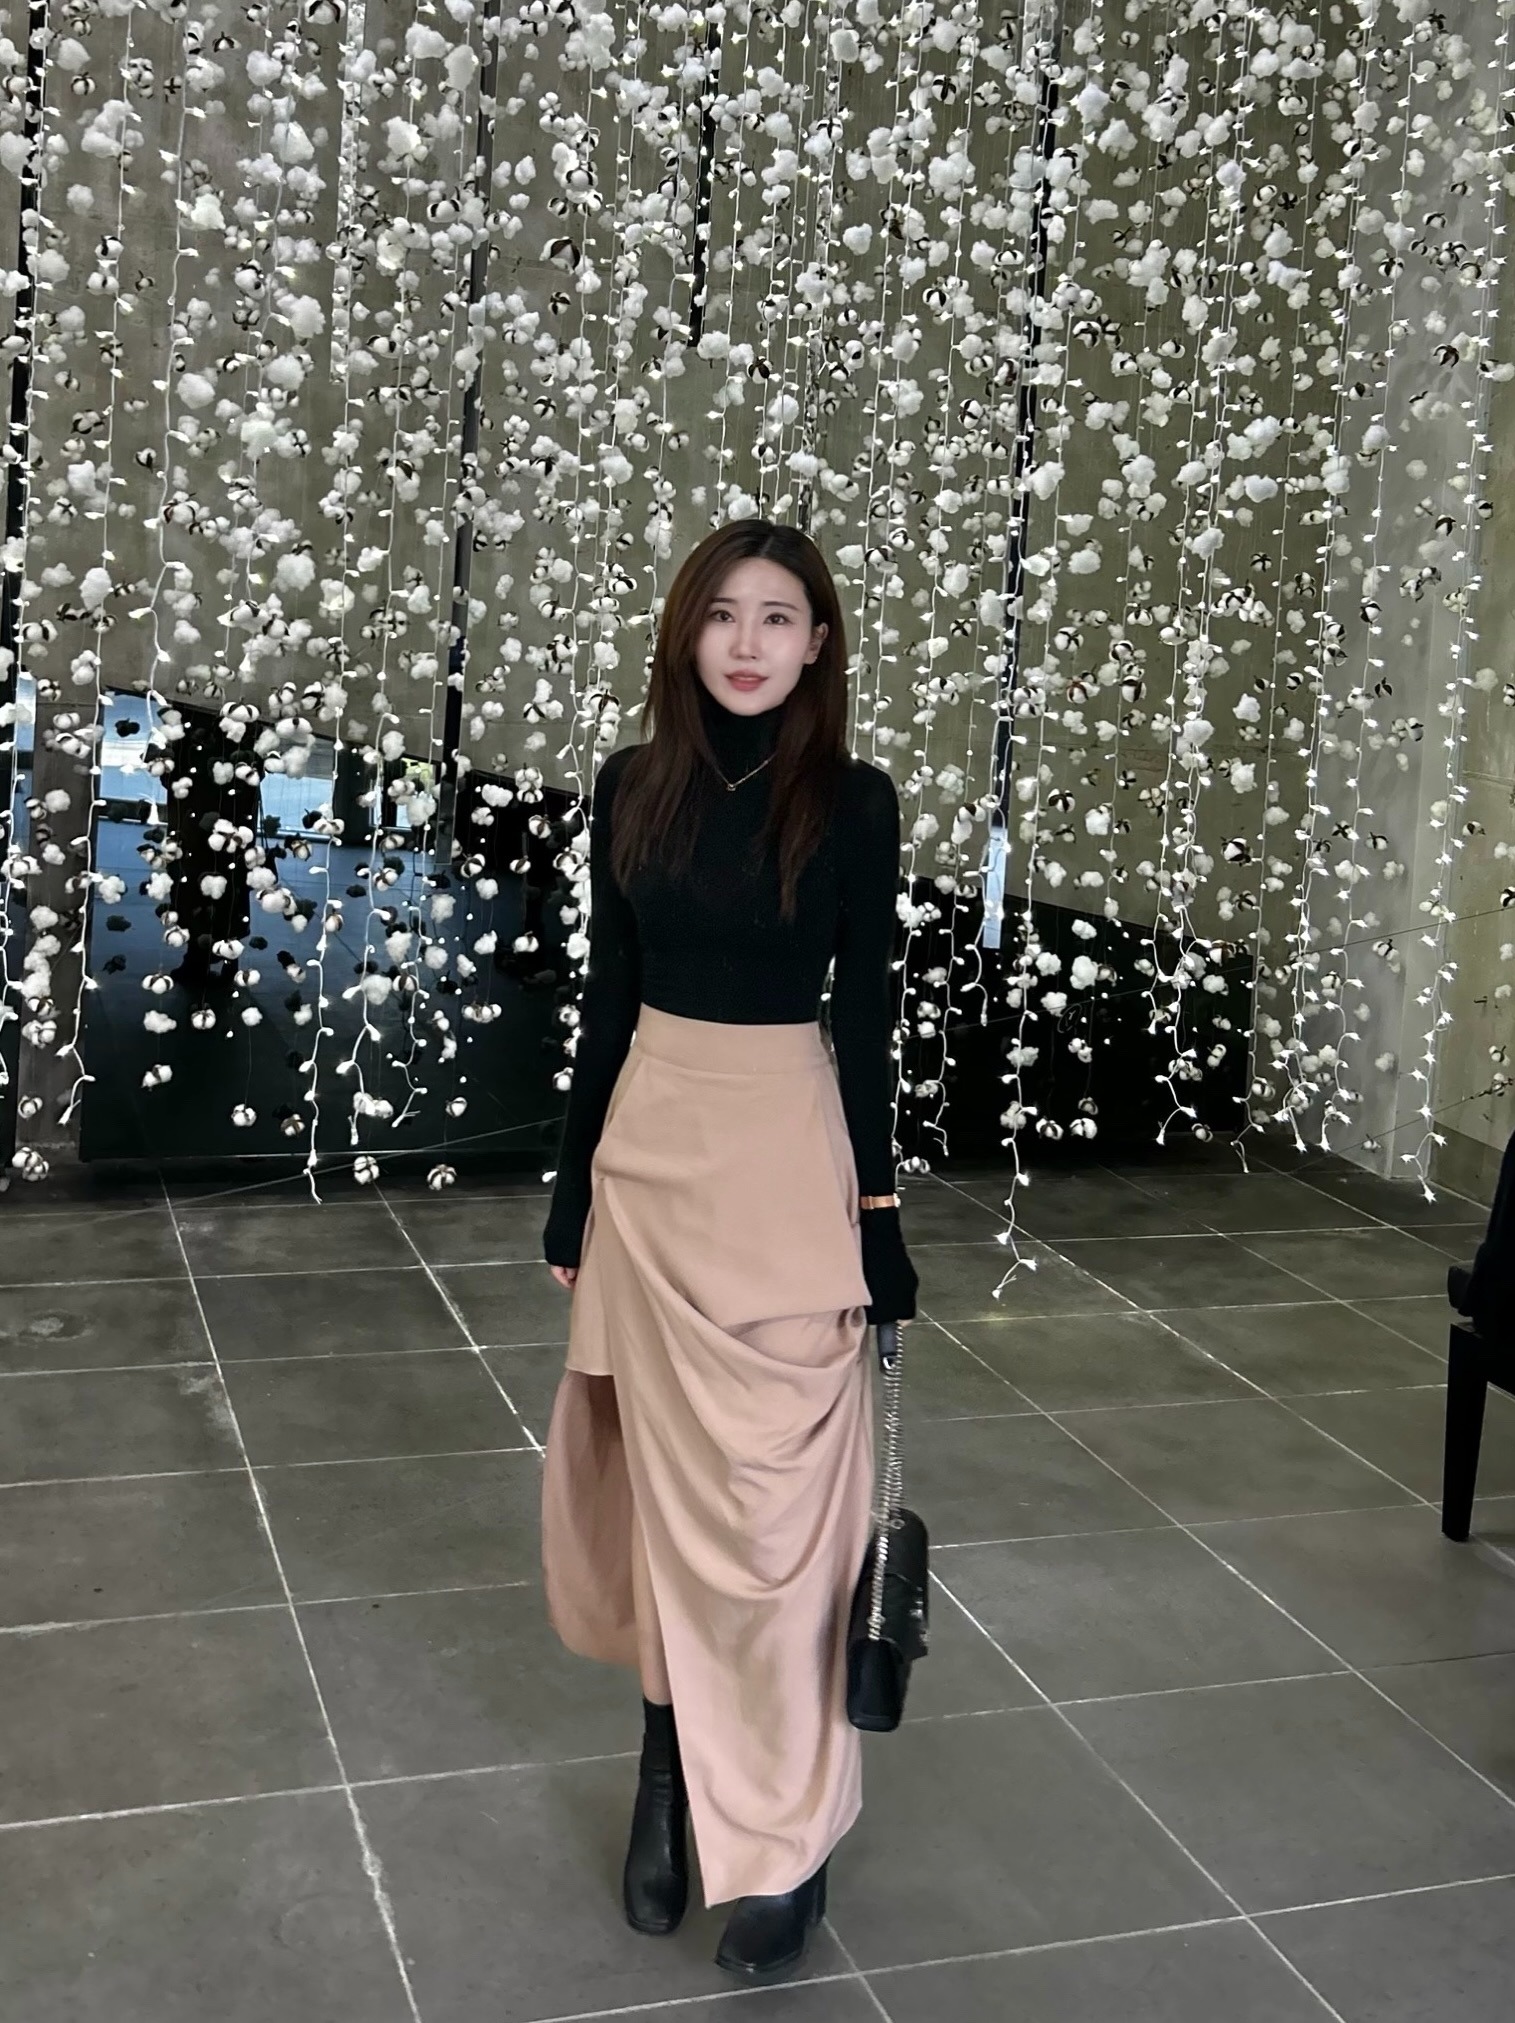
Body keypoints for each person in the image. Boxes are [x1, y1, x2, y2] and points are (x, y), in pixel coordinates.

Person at [539, 518, 918, 1983]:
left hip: (783, 1163)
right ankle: (666, 1775)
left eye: (777, 617)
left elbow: (869, 1018)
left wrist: (879, 1218)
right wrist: (569, 1197)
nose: (747, 643)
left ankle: (790, 1832)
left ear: (819, 644)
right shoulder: (630, 787)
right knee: (663, 1506)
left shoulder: (855, 802)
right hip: (647, 1164)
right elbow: (608, 1000)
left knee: (779, 1529)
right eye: (721, 614)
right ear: (684, 633)